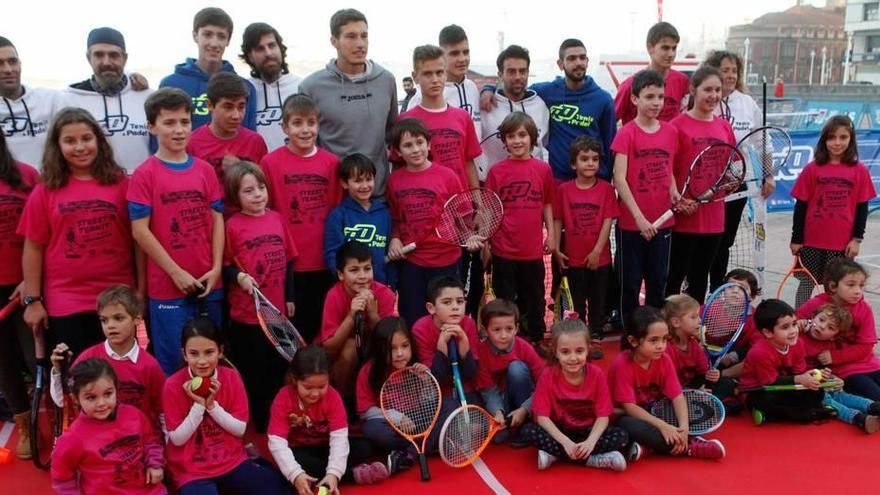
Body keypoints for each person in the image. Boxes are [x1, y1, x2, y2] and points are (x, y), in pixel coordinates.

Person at [19, 107, 134, 357]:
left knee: (120, 376)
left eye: (86, 139)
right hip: (66, 298)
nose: (80, 147)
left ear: (99, 141)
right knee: (78, 379)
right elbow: (33, 247)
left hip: (118, 295)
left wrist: (141, 293)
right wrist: (33, 300)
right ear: (57, 146)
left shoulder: (121, 184)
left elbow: (138, 242)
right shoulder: (45, 190)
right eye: (70, 141)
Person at [128, 88, 225, 374]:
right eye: (169, 123)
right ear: (151, 127)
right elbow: (140, 231)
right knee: (175, 364)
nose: (179, 130)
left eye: (184, 122)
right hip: (168, 289)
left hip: (209, 283)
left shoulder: (205, 170)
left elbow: (217, 219)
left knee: (210, 361)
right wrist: (175, 272)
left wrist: (217, 267)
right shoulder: (145, 174)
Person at [162, 318, 288, 494]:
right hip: (192, 470)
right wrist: (199, 405)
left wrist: (212, 406)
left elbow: (239, 430)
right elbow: (177, 439)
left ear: (220, 351)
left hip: (231, 460)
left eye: (209, 352)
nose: (202, 361)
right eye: (194, 354)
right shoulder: (172, 384)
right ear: (184, 354)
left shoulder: (231, 377)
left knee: (276, 487)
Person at [259, 94, 340, 343]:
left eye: (311, 123)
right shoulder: (270, 162)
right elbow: (266, 212)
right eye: (297, 123)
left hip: (323, 263)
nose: (305, 130)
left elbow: (336, 212)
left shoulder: (331, 163)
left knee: (322, 332)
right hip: (288, 266)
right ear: (285, 126)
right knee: (291, 335)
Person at [222, 161, 296, 432]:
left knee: (278, 369)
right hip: (247, 316)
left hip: (276, 313)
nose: (257, 195)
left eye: (261, 188)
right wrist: (237, 277)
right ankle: (261, 422)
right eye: (248, 191)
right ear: (235, 196)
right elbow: (224, 265)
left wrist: (289, 296)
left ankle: (278, 417)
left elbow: (289, 261)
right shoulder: (232, 226)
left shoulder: (277, 218)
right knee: (255, 371)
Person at [481, 38, 616, 181]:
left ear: (587, 61)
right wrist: (488, 89)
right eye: (571, 58)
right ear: (560, 64)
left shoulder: (603, 99)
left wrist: (606, 182)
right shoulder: (547, 92)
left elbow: (610, 145)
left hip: (592, 180)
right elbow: (516, 89)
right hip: (559, 181)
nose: (578, 63)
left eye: (582, 58)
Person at [299, 8, 397, 196]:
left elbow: (392, 134)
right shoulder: (311, 87)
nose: (360, 44)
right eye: (351, 36)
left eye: (364, 36)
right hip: (333, 195)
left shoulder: (386, 80)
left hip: (378, 195)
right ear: (334, 41)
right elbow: (306, 143)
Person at [269, 345, 390, 494]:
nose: (314, 394)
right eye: (308, 387)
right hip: (300, 449)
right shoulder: (283, 398)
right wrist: (296, 474)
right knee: (295, 463)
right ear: (295, 380)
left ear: (329, 379)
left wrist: (333, 472)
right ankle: (352, 475)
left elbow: (339, 438)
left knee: (364, 448)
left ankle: (325, 476)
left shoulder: (333, 398)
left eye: (321, 386)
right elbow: (276, 441)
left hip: (326, 445)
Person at [609, 306, 726, 460]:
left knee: (700, 407)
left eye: (665, 339)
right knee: (631, 427)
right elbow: (630, 408)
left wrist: (684, 428)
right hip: (625, 415)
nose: (661, 346)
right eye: (654, 340)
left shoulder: (664, 359)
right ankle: (690, 447)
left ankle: (648, 447)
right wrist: (663, 426)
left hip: (655, 409)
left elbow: (677, 396)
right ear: (633, 341)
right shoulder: (622, 364)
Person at [611, 69, 678, 323]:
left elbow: (667, 168)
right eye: (650, 96)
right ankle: (630, 336)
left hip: (663, 223)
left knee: (658, 281)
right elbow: (620, 178)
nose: (656, 102)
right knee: (629, 284)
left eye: (660, 97)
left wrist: (673, 190)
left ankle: (653, 335)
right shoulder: (626, 133)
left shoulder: (671, 132)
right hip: (632, 226)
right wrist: (639, 219)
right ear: (635, 99)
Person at [704, 50, 774, 292]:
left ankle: (716, 293)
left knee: (724, 243)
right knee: (705, 242)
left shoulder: (746, 103)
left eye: (734, 70)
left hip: (737, 184)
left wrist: (768, 174)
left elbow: (763, 141)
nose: (731, 75)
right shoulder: (702, 100)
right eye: (725, 70)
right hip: (706, 184)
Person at [49, 285, 165, 431]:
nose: (110, 326)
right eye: (104, 320)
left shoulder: (150, 365)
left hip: (138, 440)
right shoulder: (89, 357)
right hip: (96, 438)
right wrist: (59, 371)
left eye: (118, 318)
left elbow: (162, 411)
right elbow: (62, 401)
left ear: (137, 319)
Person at [666, 67, 736, 304]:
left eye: (717, 90)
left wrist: (732, 181)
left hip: (714, 218)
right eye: (707, 89)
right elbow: (667, 169)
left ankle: (692, 330)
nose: (713, 95)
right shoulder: (676, 126)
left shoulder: (724, 127)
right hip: (683, 217)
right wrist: (678, 200)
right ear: (693, 90)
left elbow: (731, 166)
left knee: (700, 279)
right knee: (673, 278)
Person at [521, 318, 627, 471]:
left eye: (579, 351)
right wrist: (565, 442)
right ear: (555, 352)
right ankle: (593, 460)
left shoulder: (596, 375)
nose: (572, 358)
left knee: (622, 436)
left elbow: (603, 416)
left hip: (588, 431)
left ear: (587, 350)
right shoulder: (548, 375)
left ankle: (556, 455)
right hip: (561, 430)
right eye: (565, 352)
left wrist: (590, 442)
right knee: (528, 432)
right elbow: (542, 417)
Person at [385, 118, 461, 327]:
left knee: (446, 319)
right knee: (413, 318)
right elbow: (394, 217)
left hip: (446, 259)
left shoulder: (448, 177)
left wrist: (470, 236)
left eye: (419, 142)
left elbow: (462, 216)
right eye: (408, 145)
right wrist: (395, 239)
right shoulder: (394, 180)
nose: (415, 149)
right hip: (413, 263)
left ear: (428, 144)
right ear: (398, 152)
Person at [486, 112, 553, 346]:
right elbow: (490, 211)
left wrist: (552, 235)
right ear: (504, 141)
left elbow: (547, 203)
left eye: (522, 135)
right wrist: (486, 243)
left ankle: (535, 340)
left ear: (532, 138)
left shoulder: (543, 169)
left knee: (534, 299)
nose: (517, 141)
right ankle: (507, 344)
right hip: (503, 251)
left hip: (532, 251)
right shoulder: (496, 171)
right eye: (511, 136)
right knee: (505, 301)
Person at [790, 115, 875, 296]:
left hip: (841, 244)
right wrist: (796, 238)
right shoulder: (812, 169)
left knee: (835, 289)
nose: (837, 143)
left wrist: (856, 239)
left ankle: (831, 323)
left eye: (843, 137)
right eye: (832, 137)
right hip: (811, 242)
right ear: (824, 140)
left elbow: (862, 208)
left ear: (851, 139)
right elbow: (801, 206)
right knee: (806, 284)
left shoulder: (860, 171)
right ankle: (801, 321)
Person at [50, 359, 165, 494]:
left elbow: (151, 441)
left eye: (108, 394)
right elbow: (62, 479)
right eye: (91, 398)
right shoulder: (72, 437)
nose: (101, 403)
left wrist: (155, 464)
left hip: (148, 490)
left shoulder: (134, 415)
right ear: (76, 399)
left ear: (116, 389)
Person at [553, 136, 617, 343]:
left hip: (600, 259)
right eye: (584, 159)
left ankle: (596, 332)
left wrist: (598, 251)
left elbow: (608, 222)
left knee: (598, 301)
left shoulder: (607, 189)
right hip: (573, 259)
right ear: (573, 163)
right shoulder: (563, 190)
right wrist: (556, 249)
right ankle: (578, 334)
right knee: (577, 302)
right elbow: (557, 220)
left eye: (595, 159)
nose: (590, 163)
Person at [62, 27, 152, 174]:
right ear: (88, 57)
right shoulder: (69, 100)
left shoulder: (146, 97)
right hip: (96, 189)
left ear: (125, 58)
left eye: (114, 55)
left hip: (141, 188)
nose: (106, 62)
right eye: (99, 55)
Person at [0, 131, 39, 459]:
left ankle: (53, 416)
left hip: (27, 285)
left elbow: (43, 232)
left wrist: (31, 280)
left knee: (34, 356)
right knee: (4, 361)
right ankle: (24, 422)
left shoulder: (27, 175)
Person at [317, 241, 396, 398]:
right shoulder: (334, 295)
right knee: (350, 347)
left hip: (373, 351)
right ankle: (343, 402)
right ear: (341, 274)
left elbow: (389, 341)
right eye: (354, 270)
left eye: (367, 269)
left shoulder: (384, 293)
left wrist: (373, 314)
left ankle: (380, 399)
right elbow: (329, 348)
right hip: (338, 357)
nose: (362, 276)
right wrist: (351, 316)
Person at [411, 276, 480, 452]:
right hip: (438, 395)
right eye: (447, 302)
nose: (456, 307)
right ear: (431, 308)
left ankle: (447, 438)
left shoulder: (469, 324)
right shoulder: (420, 329)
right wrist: (442, 347)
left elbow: (471, 373)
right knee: (448, 410)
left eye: (460, 301)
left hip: (465, 391)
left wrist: (463, 342)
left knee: (484, 430)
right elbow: (436, 379)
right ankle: (425, 446)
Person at [160, 7, 257, 131]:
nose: (214, 43)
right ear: (195, 36)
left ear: (228, 41)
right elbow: (160, 138)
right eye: (207, 34)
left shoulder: (245, 87)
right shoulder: (171, 84)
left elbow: (249, 138)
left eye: (221, 36)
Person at [398, 44, 481, 190]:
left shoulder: (463, 117)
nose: (435, 79)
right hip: (425, 205)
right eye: (427, 74)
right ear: (415, 77)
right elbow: (399, 167)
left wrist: (478, 204)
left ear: (445, 74)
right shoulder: (405, 121)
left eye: (439, 72)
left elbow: (468, 163)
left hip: (461, 205)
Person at [795, 259, 880, 400]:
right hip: (845, 371)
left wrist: (835, 356)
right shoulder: (816, 303)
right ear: (833, 286)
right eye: (851, 285)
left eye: (861, 285)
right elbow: (791, 322)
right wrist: (799, 323)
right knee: (876, 397)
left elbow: (866, 345)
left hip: (870, 363)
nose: (858, 291)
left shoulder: (864, 308)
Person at [740, 299, 834, 424]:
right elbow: (770, 382)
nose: (793, 331)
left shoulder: (798, 343)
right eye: (785, 327)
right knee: (767, 402)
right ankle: (770, 413)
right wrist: (800, 379)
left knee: (817, 392)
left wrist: (814, 375)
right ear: (768, 332)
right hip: (758, 390)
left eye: (794, 324)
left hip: (784, 385)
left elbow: (799, 372)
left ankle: (804, 411)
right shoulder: (759, 352)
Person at [800, 303, 880, 433]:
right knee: (825, 399)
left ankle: (872, 406)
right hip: (801, 383)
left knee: (839, 394)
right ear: (813, 317)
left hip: (818, 382)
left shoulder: (829, 346)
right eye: (821, 320)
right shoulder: (798, 337)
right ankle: (857, 417)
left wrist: (829, 376)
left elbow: (825, 369)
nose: (822, 326)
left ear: (834, 336)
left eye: (830, 327)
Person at [475, 299, 546, 445]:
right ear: (485, 329)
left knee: (517, 368)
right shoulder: (481, 352)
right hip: (501, 399)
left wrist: (525, 409)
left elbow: (545, 385)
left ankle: (525, 423)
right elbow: (488, 391)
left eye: (509, 329)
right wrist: (497, 412)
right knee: (499, 438)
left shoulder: (524, 348)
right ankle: (509, 420)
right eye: (496, 330)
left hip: (524, 399)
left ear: (516, 328)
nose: (503, 335)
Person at [356, 316, 421, 471]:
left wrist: (425, 381)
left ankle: (408, 453)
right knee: (373, 430)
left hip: (416, 423)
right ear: (379, 349)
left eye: (405, 346)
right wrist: (396, 417)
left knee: (446, 408)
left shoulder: (416, 367)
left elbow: (431, 404)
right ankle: (417, 448)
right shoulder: (368, 372)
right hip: (389, 424)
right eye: (392, 348)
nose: (400, 353)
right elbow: (364, 412)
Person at [186, 73, 268, 192]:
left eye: (241, 107)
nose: (236, 115)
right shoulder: (192, 143)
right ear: (209, 105)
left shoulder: (255, 141)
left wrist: (240, 170)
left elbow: (264, 187)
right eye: (228, 107)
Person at [323, 153, 392, 285]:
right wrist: (345, 282)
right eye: (358, 181)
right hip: (349, 289)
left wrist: (391, 284)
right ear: (344, 183)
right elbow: (332, 255)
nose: (365, 185)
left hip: (380, 287)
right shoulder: (338, 215)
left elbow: (389, 254)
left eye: (368, 179)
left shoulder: (384, 213)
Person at [481, 44, 549, 175]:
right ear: (500, 74)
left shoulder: (541, 106)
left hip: (532, 183)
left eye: (522, 71)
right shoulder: (485, 104)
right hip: (493, 185)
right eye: (511, 71)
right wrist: (487, 89)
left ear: (528, 73)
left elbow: (544, 144)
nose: (518, 77)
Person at [661, 294, 737, 406]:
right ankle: (704, 405)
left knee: (727, 382)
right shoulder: (666, 349)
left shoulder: (694, 344)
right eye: (693, 317)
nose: (700, 320)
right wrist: (692, 393)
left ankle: (703, 403)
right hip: (673, 390)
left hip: (691, 384)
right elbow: (666, 384)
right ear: (676, 322)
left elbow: (703, 371)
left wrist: (713, 374)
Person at [0, 36, 63, 166]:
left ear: (20, 64)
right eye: (0, 63)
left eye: (12, 61)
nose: (8, 70)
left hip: (48, 184)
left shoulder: (50, 100)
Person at [239, 22, 302, 150]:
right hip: (256, 168)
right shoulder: (244, 92)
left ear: (280, 48)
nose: (268, 53)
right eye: (260, 49)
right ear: (250, 56)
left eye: (272, 46)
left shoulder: (302, 87)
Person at [614, 22, 689, 124]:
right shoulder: (629, 86)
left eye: (674, 48)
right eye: (665, 48)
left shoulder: (682, 81)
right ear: (650, 48)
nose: (671, 54)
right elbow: (610, 121)